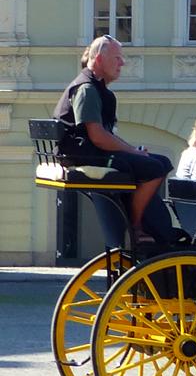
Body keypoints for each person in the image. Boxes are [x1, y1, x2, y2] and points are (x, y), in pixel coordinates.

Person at [54, 34, 174, 244]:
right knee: (154, 168)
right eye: (117, 58)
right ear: (99, 59)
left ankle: (145, 223)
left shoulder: (96, 89)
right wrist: (133, 152)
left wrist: (133, 150)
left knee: (162, 162)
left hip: (92, 154)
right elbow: (98, 137)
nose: (122, 63)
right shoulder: (87, 89)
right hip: (86, 157)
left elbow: (103, 136)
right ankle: (136, 227)